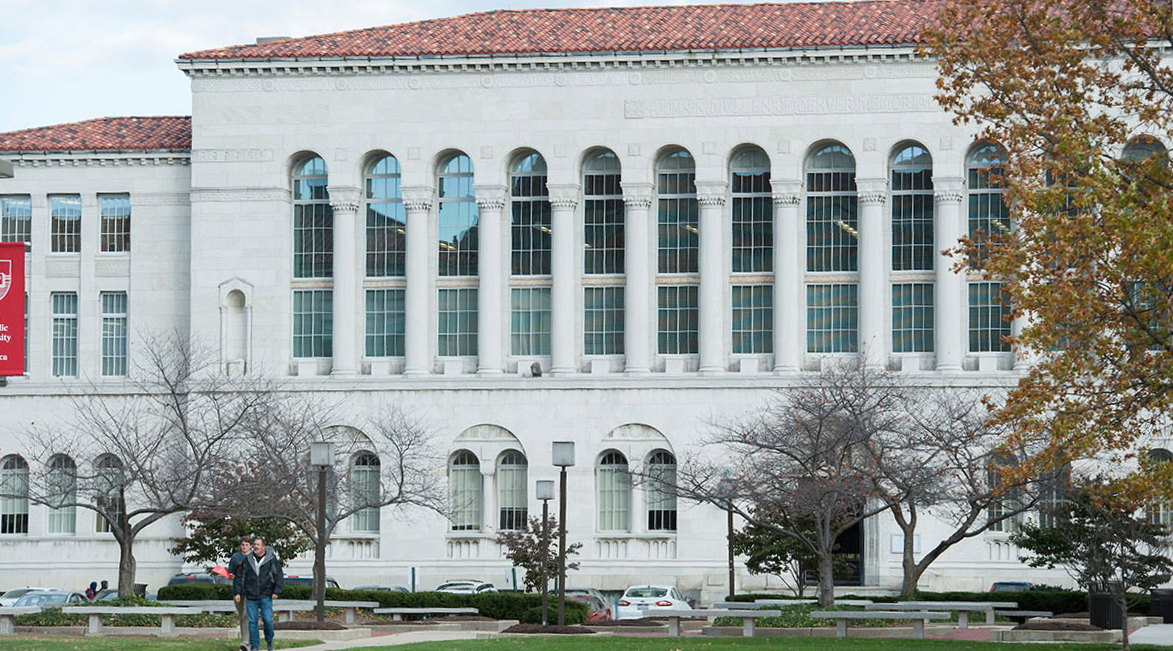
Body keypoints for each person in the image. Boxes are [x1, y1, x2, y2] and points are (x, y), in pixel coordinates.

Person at [233, 537, 283, 651]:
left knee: (268, 621)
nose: (255, 546)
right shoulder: (247, 560)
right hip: (251, 597)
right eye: (254, 544)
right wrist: (237, 592)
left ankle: (269, 641)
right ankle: (255, 646)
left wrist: (276, 591)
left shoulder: (271, 560)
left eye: (258, 545)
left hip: (266, 596)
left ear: (263, 547)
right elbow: (240, 577)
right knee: (252, 622)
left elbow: (279, 576)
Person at [228, 537, 253, 651]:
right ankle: (246, 642)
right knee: (242, 616)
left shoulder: (254, 557)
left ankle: (247, 643)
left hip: (251, 592)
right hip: (238, 591)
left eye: (246, 544)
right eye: (242, 544)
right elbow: (231, 573)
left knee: (247, 616)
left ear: (250, 546)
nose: (244, 546)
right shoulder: (235, 557)